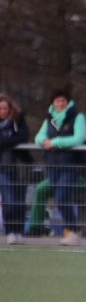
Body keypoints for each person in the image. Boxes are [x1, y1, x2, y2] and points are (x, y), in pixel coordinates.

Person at [34, 89, 86, 246]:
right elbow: (39, 136)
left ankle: (74, 231)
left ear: (68, 102)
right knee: (59, 199)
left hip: (70, 164)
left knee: (63, 197)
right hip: (53, 164)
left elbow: (78, 139)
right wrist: (44, 142)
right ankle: (71, 230)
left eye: (63, 100)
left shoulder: (78, 116)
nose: (60, 103)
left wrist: (55, 142)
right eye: (57, 101)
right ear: (53, 103)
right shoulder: (49, 118)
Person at [0, 94, 30, 244]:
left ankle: (19, 231)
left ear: (10, 108)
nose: (3, 111)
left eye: (5, 108)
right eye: (0, 109)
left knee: (19, 202)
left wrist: (7, 142)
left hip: (19, 166)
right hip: (3, 167)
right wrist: (11, 141)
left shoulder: (18, 120)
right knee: (9, 200)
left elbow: (23, 137)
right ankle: (10, 231)